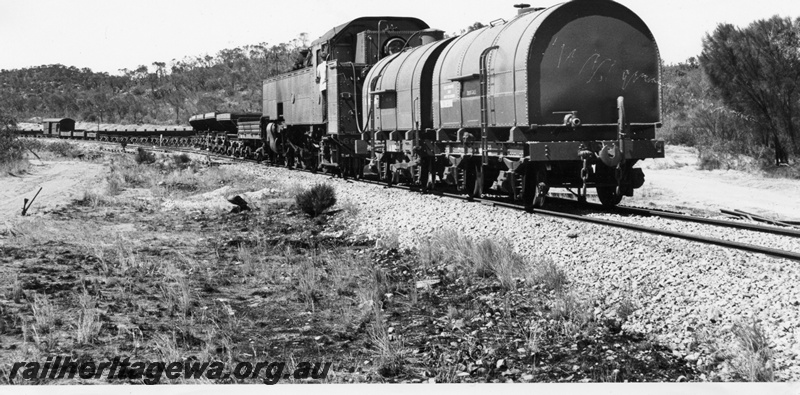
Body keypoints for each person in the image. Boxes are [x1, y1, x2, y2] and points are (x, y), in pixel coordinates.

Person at [316, 51, 328, 122]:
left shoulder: (319, 66)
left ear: (321, 58)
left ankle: (324, 118)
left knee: (324, 102)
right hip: (329, 85)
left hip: (323, 86)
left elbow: (318, 77)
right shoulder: (328, 65)